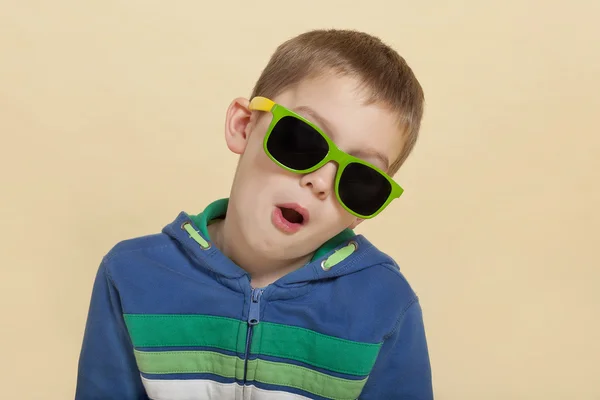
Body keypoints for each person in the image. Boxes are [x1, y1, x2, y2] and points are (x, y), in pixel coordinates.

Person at [75, 28, 434, 400]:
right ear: (244, 126)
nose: (321, 182)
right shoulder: (131, 274)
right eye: (302, 139)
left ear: (363, 211)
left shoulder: (385, 303)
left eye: (361, 180)